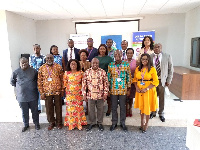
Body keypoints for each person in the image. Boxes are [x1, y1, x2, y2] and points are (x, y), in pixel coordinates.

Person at [10, 57, 40, 132]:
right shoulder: (16, 72)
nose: (24, 64)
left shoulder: (34, 71)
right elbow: (12, 82)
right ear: (20, 63)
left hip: (33, 95)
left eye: (25, 62)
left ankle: (36, 124)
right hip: (22, 96)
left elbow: (38, 81)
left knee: (35, 111)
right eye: (22, 62)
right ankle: (26, 124)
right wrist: (20, 87)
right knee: (24, 112)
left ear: (28, 62)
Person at [133, 53, 159, 133]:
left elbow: (156, 82)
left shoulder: (152, 69)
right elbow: (134, 80)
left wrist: (146, 88)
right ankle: (141, 122)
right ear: (141, 60)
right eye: (143, 59)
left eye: (146, 59)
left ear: (149, 60)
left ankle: (146, 124)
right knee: (141, 107)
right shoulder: (138, 68)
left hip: (148, 91)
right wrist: (137, 87)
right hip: (139, 90)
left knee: (147, 107)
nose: (144, 61)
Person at [38, 54, 64, 130]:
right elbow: (39, 81)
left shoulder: (58, 67)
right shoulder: (41, 68)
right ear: (45, 59)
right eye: (48, 58)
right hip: (47, 92)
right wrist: (42, 93)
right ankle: (51, 122)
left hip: (57, 91)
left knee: (58, 107)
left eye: (51, 58)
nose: (49, 59)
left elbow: (62, 79)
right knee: (49, 108)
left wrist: (62, 90)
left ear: (53, 59)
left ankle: (59, 123)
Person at [108, 50, 131, 132]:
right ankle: (114, 123)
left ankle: (122, 123)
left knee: (122, 107)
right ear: (113, 55)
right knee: (114, 107)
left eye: (119, 54)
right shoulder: (110, 65)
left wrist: (128, 89)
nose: (117, 55)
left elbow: (128, 76)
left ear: (122, 55)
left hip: (123, 90)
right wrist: (108, 89)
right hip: (113, 90)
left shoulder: (126, 64)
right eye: (115, 54)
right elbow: (108, 77)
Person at [82, 58, 108, 131]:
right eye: (93, 63)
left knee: (100, 109)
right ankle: (92, 123)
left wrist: (105, 93)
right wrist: (84, 94)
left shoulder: (102, 72)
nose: (95, 64)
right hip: (90, 95)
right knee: (91, 110)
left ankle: (100, 123)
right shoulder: (87, 72)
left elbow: (106, 83)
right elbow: (84, 84)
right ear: (91, 63)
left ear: (98, 64)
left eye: (96, 63)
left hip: (100, 95)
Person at [150, 43, 174, 122]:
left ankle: (161, 113)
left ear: (161, 48)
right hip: (152, 81)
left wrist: (169, 80)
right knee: (153, 97)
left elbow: (171, 69)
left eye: (158, 47)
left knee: (161, 98)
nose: (156, 48)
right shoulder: (150, 57)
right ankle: (153, 112)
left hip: (162, 81)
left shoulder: (167, 56)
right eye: (155, 47)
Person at [63, 59, 87, 130]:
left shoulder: (81, 73)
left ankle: (79, 124)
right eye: (72, 64)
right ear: (69, 65)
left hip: (78, 95)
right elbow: (65, 84)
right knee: (71, 110)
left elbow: (83, 84)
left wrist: (83, 92)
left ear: (77, 65)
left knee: (78, 109)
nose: (73, 65)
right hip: (70, 95)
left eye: (75, 64)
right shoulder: (66, 73)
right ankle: (71, 124)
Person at [95, 44, 113, 116]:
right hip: (97, 78)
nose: (102, 50)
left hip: (107, 78)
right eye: (101, 49)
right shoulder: (95, 58)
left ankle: (109, 109)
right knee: (98, 94)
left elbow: (111, 69)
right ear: (98, 50)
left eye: (103, 49)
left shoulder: (109, 58)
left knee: (107, 94)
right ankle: (100, 109)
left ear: (106, 50)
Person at [29, 44, 45, 114]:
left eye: (37, 48)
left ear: (40, 49)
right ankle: (38, 108)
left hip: (42, 78)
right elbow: (30, 67)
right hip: (33, 78)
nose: (36, 50)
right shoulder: (31, 57)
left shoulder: (43, 57)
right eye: (34, 48)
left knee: (42, 92)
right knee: (35, 93)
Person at [79, 49, 91, 115]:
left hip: (88, 82)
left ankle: (88, 109)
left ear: (86, 56)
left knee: (87, 96)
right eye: (81, 55)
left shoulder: (89, 63)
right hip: (79, 82)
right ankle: (80, 109)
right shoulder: (78, 63)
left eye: (84, 55)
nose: (83, 57)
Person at [125, 48, 136, 117]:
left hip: (132, 82)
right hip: (125, 82)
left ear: (133, 54)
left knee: (131, 96)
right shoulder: (123, 62)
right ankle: (126, 108)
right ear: (126, 54)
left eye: (131, 53)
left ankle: (130, 108)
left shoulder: (136, 62)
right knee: (126, 96)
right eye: (128, 53)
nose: (129, 54)